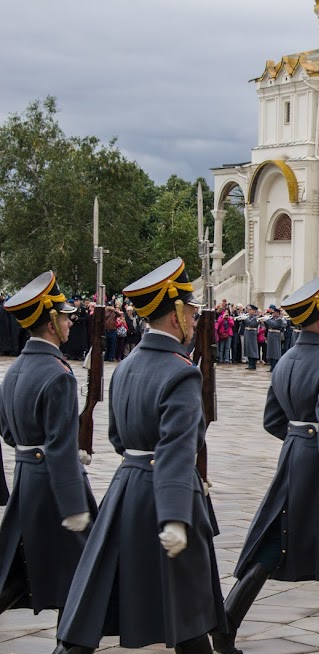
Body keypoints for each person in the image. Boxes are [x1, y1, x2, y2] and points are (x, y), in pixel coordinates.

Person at [53, 258, 225, 654]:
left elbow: (117, 438)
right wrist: (176, 515)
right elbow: (178, 450)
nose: (196, 321)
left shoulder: (127, 365)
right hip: (167, 495)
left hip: (127, 489)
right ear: (177, 314)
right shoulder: (182, 372)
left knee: (99, 600)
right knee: (190, 612)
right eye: (192, 313)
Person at [211, 278, 319, 653]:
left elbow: (272, 420)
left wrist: (298, 440)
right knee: (277, 543)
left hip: (296, 455)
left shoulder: (285, 359)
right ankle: (227, 622)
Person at [0, 272, 97, 617]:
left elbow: (9, 433)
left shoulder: (15, 370)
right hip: (55, 488)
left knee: (18, 573)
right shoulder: (58, 374)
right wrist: (73, 505)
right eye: (65, 315)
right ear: (52, 321)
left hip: (27, 480)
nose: (71, 321)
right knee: (81, 576)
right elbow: (58, 447)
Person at [264, 306, 285, 372]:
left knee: (275, 351)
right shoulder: (272, 319)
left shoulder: (279, 320)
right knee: (270, 352)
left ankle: (275, 366)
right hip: (270, 336)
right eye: (273, 313)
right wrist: (265, 320)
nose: (273, 314)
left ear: (278, 313)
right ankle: (271, 366)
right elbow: (268, 326)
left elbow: (274, 325)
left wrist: (267, 320)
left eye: (275, 313)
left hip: (275, 336)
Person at [243, 305, 259, 370]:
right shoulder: (249, 317)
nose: (249, 311)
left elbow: (252, 324)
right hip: (247, 333)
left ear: (254, 311)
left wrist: (245, 319)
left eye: (250, 310)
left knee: (252, 349)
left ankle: (253, 364)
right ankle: (250, 364)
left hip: (252, 334)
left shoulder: (256, 318)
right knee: (248, 349)